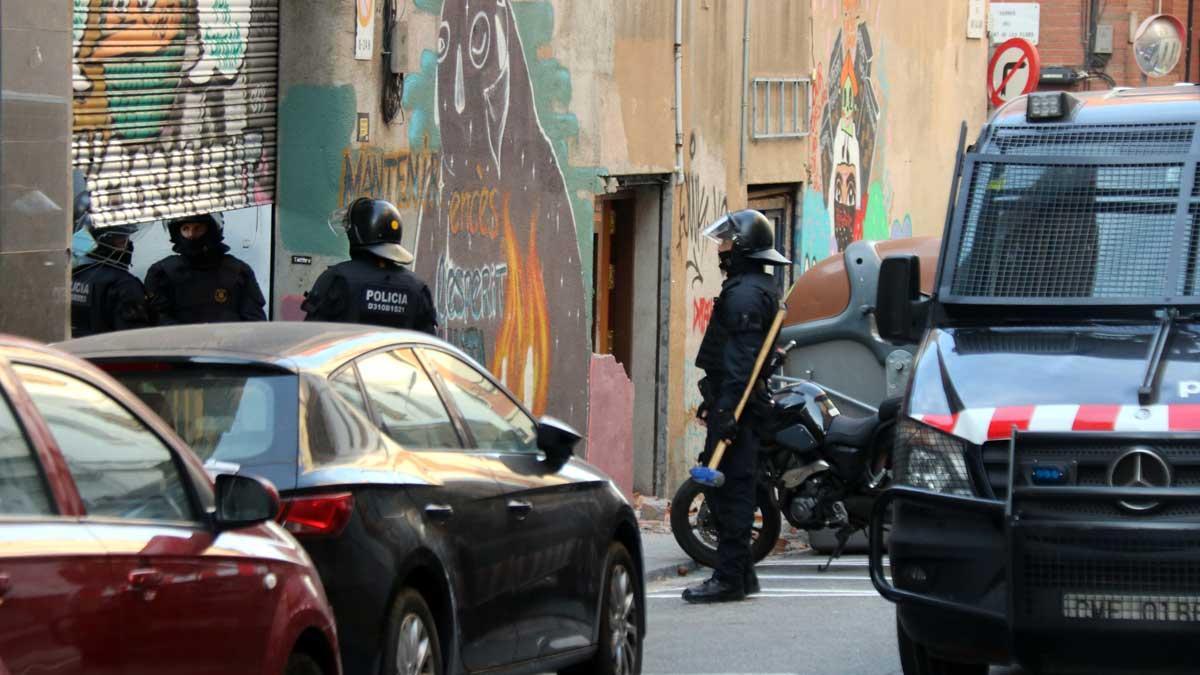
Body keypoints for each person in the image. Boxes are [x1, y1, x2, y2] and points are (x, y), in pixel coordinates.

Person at [683, 209, 790, 604]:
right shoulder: (751, 287)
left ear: (744, 247)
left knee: (732, 490)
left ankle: (729, 577)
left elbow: (742, 360)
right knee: (732, 485)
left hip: (740, 407)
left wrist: (727, 411)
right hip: (734, 403)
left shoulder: (745, 293)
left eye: (729, 242)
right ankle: (742, 574)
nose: (722, 249)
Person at [301, 198, 438, 334]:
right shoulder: (418, 288)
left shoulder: (337, 279)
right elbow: (429, 346)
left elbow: (311, 337)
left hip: (350, 356)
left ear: (356, 235)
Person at [145, 213, 267, 325]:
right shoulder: (162, 273)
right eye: (185, 229)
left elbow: (256, 324)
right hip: (181, 346)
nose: (191, 235)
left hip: (229, 346)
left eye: (197, 228)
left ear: (212, 231)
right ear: (177, 233)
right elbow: (157, 321)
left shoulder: (238, 272)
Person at [70, 201, 151, 337]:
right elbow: (135, 339)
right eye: (121, 241)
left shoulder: (70, 275)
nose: (127, 246)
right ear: (103, 243)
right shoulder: (124, 285)